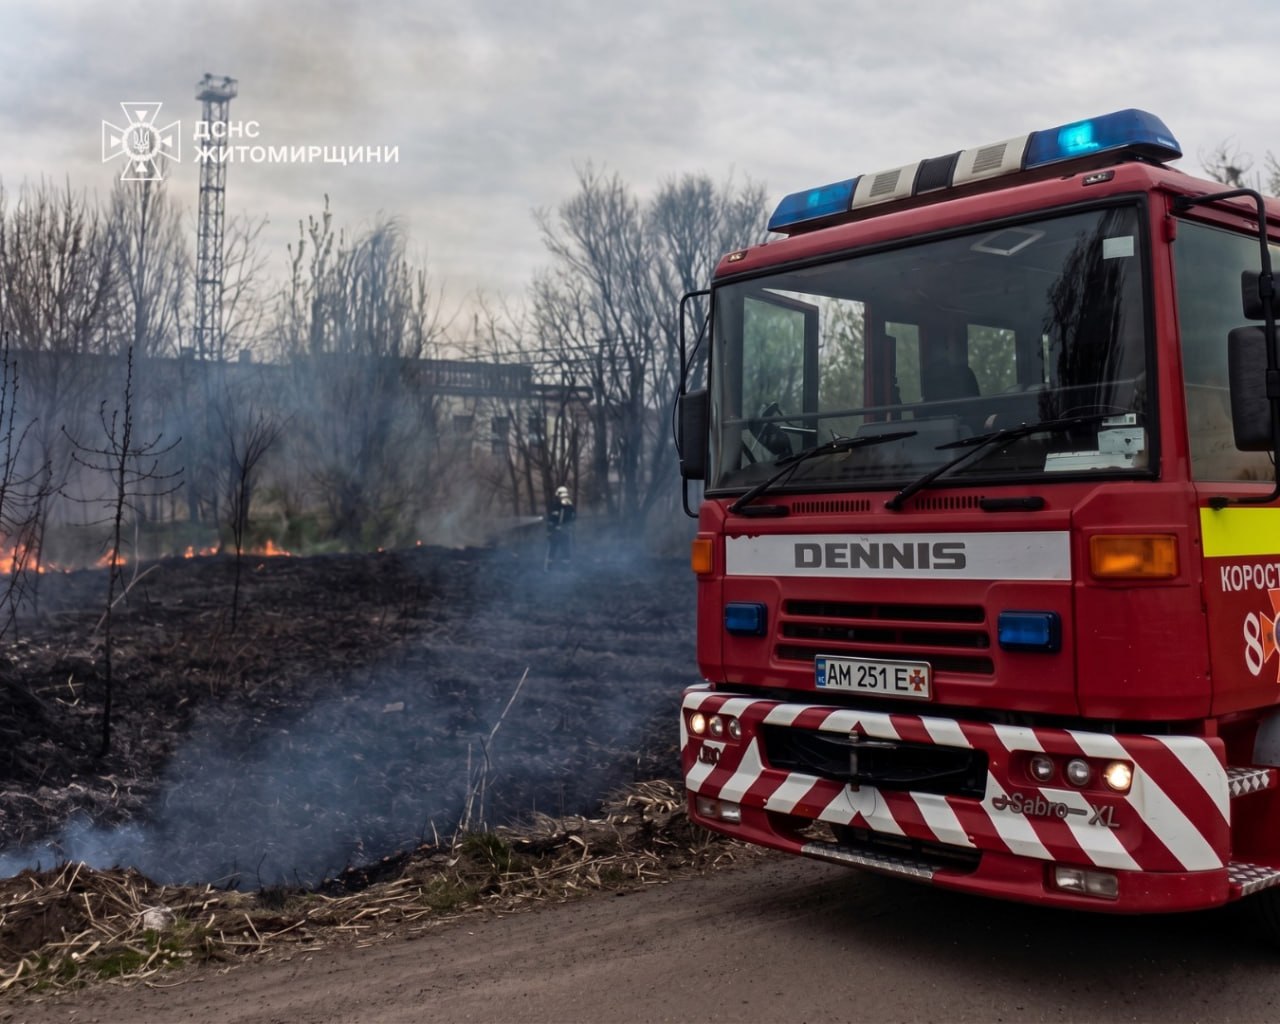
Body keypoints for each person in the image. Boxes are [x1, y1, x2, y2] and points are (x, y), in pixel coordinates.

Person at [545, 485, 576, 570]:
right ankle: (563, 568)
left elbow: (552, 520)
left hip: (559, 533)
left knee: (556, 550)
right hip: (562, 532)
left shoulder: (559, 506)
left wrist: (550, 531)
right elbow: (573, 518)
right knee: (563, 550)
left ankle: (550, 568)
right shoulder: (569, 506)